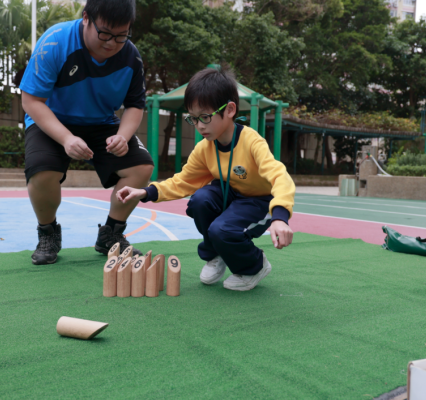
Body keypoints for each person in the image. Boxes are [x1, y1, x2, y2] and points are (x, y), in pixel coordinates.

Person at [117, 67, 295, 291]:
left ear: (230, 109)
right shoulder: (204, 148)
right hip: (233, 195)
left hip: (260, 202)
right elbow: (183, 181)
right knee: (200, 200)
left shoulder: (251, 141)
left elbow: (280, 176)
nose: (200, 125)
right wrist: (145, 191)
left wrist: (280, 216)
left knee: (222, 230)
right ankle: (215, 255)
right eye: (193, 118)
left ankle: (254, 266)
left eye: (205, 117)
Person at [19, 0, 153, 265]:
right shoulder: (55, 43)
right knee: (42, 172)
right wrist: (66, 138)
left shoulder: (131, 57)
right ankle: (48, 233)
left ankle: (111, 235)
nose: (112, 43)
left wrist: (123, 136)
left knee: (141, 168)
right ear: (86, 19)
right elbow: (31, 100)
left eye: (121, 35)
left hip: (102, 122)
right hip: (52, 120)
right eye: (104, 33)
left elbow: (135, 106)